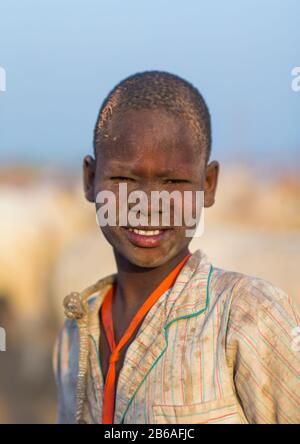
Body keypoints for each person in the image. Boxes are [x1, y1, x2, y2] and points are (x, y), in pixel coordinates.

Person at [53, 71, 300, 424]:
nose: (147, 204)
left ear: (208, 185)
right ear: (90, 180)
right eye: (123, 178)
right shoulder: (75, 332)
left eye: (174, 182)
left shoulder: (248, 317)